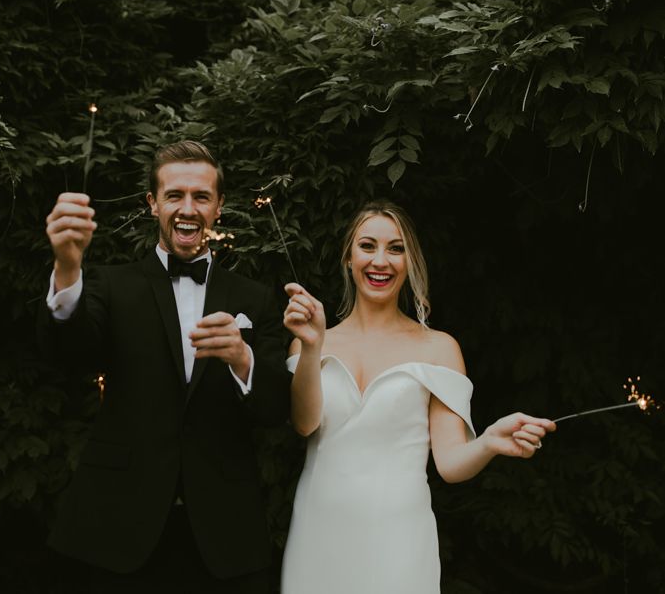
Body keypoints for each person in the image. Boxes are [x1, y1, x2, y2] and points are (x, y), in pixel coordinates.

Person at [38, 140, 291, 593]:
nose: (187, 208)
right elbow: (69, 356)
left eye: (201, 196)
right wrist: (68, 265)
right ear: (153, 203)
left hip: (225, 538)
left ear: (219, 206)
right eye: (174, 195)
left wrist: (242, 357)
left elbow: (276, 411)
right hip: (118, 531)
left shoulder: (255, 298)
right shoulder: (110, 284)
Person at [280, 200, 555, 594]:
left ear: (410, 261)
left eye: (396, 249)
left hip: (399, 536)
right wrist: (311, 347)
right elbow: (304, 423)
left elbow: (450, 463)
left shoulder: (438, 348)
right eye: (368, 246)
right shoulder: (310, 341)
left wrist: (490, 441)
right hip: (318, 531)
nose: (381, 261)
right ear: (348, 257)